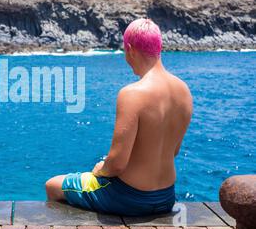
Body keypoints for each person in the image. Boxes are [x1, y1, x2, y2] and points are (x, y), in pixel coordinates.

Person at [45, 18, 193, 216]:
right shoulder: (184, 91)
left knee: (52, 185)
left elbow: (116, 164)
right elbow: (173, 151)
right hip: (165, 197)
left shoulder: (132, 93)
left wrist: (99, 170)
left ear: (130, 49)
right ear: (158, 48)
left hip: (128, 197)